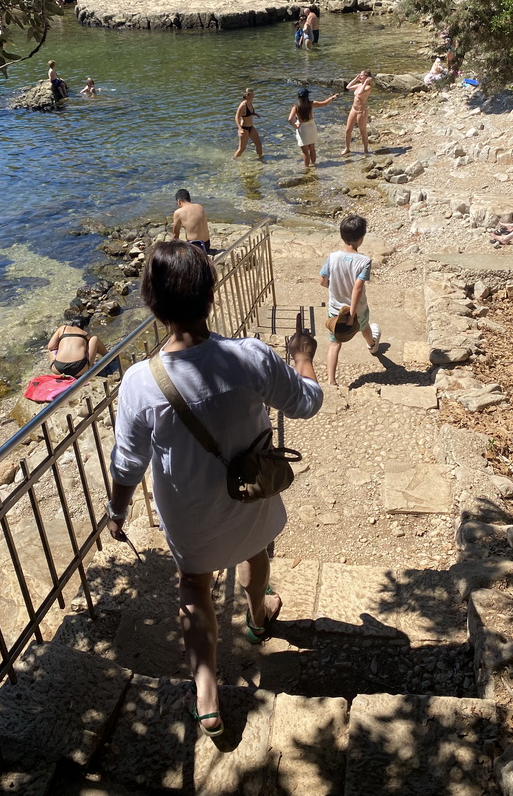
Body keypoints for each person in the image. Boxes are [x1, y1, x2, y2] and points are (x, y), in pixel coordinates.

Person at [106, 241, 322, 736]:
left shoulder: (141, 383)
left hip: (190, 514)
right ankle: (258, 616)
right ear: (211, 297)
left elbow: (128, 463)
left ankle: (206, 693)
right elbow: (308, 402)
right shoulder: (249, 357)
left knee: (194, 586)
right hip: (251, 496)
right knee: (256, 550)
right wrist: (304, 358)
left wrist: (117, 512)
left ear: (151, 305)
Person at [320, 214, 381, 386]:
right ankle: (372, 345)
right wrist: (352, 315)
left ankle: (331, 381)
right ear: (361, 239)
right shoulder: (364, 261)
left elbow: (323, 281)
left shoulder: (332, 257)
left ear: (342, 235)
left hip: (336, 310)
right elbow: (358, 288)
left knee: (334, 343)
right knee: (364, 327)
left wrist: (335, 288)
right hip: (357, 310)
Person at [288, 87, 339, 168]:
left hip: (302, 128)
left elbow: (290, 119)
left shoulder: (296, 107)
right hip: (311, 126)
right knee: (312, 148)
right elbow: (324, 103)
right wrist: (332, 98)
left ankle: (307, 168)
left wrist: (296, 126)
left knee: (305, 152)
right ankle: (313, 164)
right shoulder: (311, 104)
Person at [342, 70, 373, 156]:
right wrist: (356, 78)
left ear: (366, 77)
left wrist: (366, 82)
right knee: (348, 130)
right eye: (359, 75)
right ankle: (347, 148)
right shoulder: (360, 85)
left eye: (361, 75)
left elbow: (359, 93)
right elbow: (348, 87)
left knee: (362, 131)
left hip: (361, 111)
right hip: (353, 109)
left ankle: (366, 150)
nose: (360, 76)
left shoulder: (367, 87)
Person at [173, 189, 211, 254]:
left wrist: (173, 248)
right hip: (206, 245)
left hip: (194, 247)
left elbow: (175, 234)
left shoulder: (178, 212)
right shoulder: (200, 207)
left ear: (179, 201)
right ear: (189, 199)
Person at [234, 88, 263, 159]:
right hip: (244, 128)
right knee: (242, 148)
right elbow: (236, 117)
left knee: (258, 144)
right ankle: (234, 160)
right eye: (252, 96)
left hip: (251, 127)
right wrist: (240, 129)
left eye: (253, 95)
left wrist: (255, 114)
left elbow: (248, 113)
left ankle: (260, 159)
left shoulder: (249, 102)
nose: (253, 97)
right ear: (247, 95)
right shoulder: (243, 105)